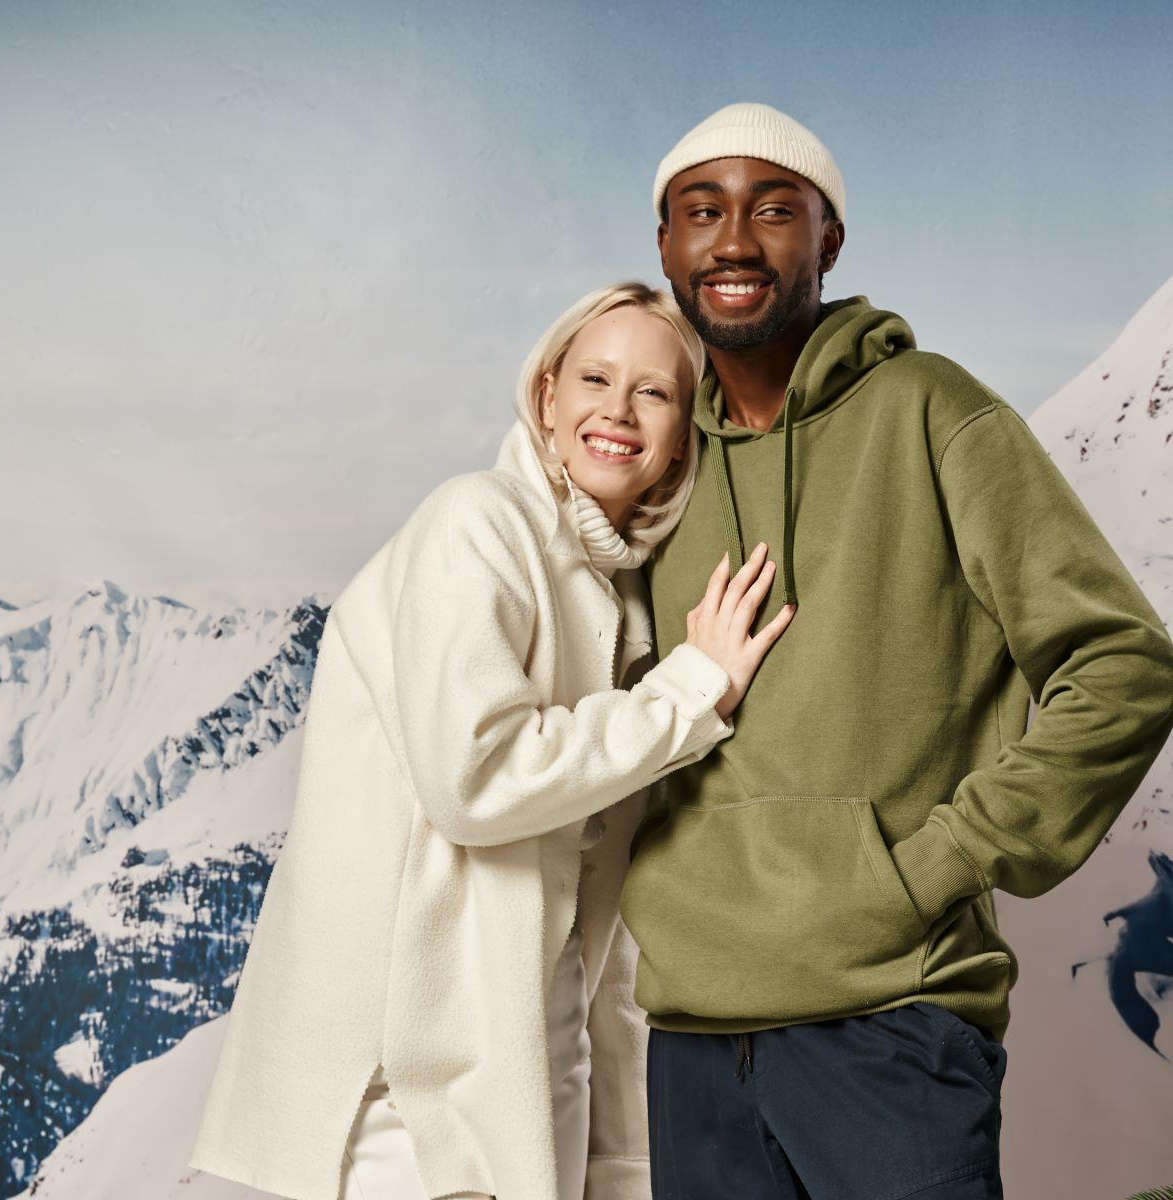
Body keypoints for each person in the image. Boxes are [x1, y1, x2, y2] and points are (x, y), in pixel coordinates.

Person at [620, 103, 1173, 1200]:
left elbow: (1123, 665)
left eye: (772, 211)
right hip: (692, 1034)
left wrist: (935, 864)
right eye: (702, 212)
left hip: (890, 1023)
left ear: (828, 241)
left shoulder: (931, 411)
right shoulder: (662, 457)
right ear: (666, 245)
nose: (733, 241)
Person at [187, 280, 795, 1200]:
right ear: (547, 397)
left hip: (529, 1056)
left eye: (653, 392)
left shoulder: (626, 587)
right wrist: (688, 693)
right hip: (408, 1077)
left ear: (681, 436)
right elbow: (475, 778)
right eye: (595, 379)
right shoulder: (475, 522)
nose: (618, 411)